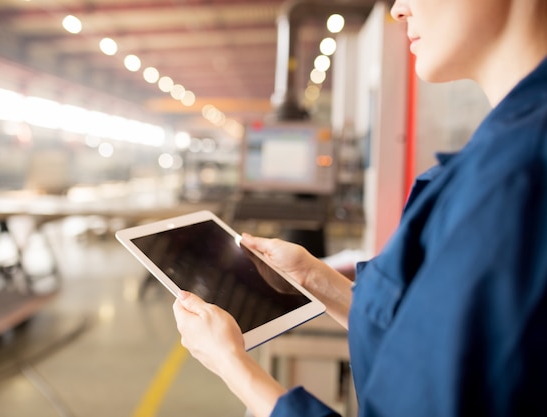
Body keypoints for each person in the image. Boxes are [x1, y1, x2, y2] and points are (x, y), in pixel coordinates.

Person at [172, 0, 547, 416]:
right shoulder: (505, 152)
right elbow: (432, 343)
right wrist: (313, 277)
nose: (399, 9)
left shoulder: (513, 176)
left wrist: (231, 363)